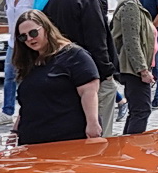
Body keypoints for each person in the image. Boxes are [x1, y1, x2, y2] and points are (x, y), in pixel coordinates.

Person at [43, 0, 118, 134]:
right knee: (100, 128)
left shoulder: (54, 0)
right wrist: (107, 71)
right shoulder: (88, 0)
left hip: (62, 71)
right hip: (91, 74)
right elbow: (97, 41)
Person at [10, 10, 100, 146]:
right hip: (32, 141)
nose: (29, 39)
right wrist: (15, 131)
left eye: (33, 33)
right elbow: (28, 104)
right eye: (23, 37)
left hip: (68, 139)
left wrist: (93, 124)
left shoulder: (74, 55)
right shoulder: (29, 61)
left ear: (46, 28)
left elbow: (89, 92)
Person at [110, 0, 158, 134]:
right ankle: (132, 151)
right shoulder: (130, 5)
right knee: (141, 111)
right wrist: (142, 70)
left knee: (138, 111)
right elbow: (131, 40)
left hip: (135, 67)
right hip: (133, 68)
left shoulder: (134, 2)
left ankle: (129, 147)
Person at [0, 0, 36, 127]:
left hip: (27, 42)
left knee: (26, 76)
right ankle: (7, 111)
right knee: (9, 76)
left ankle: (28, 108)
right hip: (13, 42)